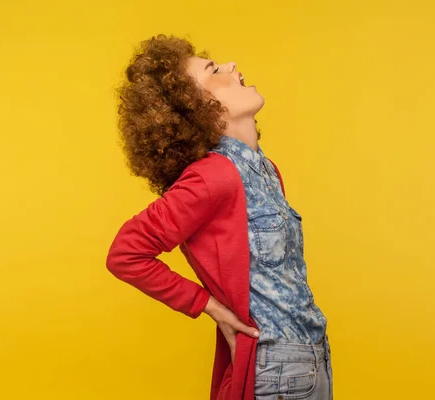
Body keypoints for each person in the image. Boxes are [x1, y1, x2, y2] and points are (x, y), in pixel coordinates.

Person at [106, 34, 333, 400]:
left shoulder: (265, 170)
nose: (230, 65)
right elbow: (126, 253)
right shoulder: (213, 176)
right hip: (277, 369)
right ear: (199, 105)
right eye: (213, 70)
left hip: (311, 358)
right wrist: (209, 306)